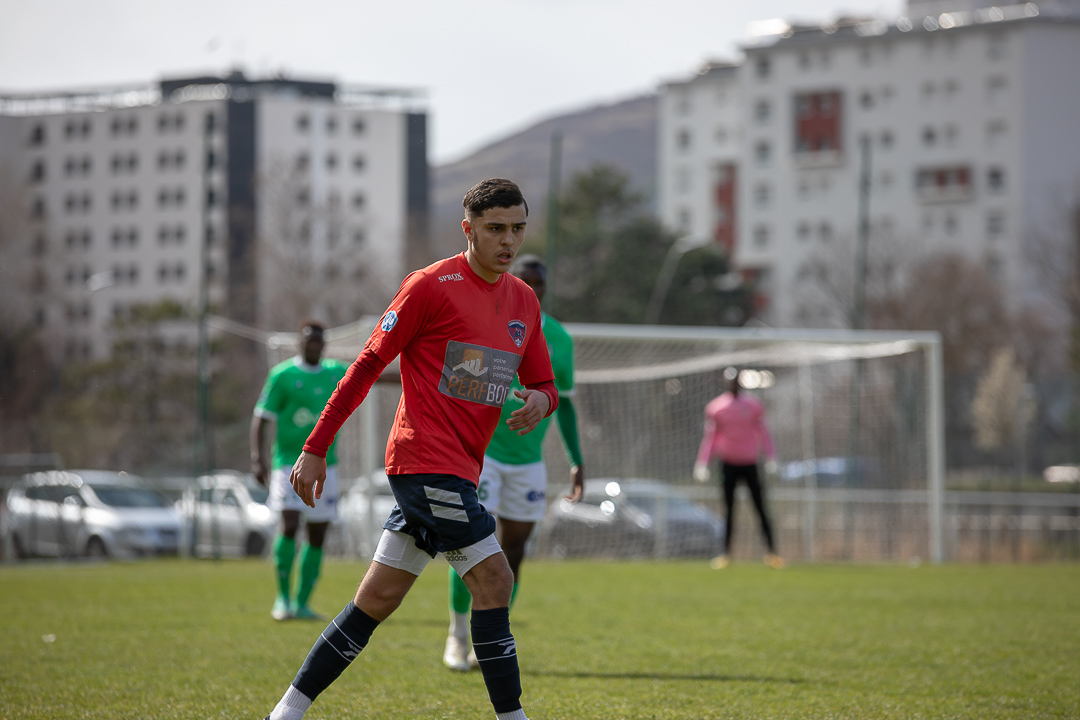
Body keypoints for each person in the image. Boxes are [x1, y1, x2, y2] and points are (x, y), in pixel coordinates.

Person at [262, 178, 557, 720]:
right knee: (495, 578)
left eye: (517, 228)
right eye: (495, 229)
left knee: (375, 601)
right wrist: (315, 447)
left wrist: (542, 402)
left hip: (460, 472)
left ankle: (286, 712)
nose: (508, 240)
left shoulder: (523, 301)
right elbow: (367, 364)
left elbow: (543, 382)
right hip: (423, 464)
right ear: (468, 229)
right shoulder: (430, 286)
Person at [442, 254, 585, 672]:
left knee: (514, 552)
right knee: (468, 546)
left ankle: (489, 640)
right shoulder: (483, 321)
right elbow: (456, 384)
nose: (532, 290)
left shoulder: (558, 336)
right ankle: (455, 634)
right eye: (525, 281)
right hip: (481, 456)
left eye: (539, 284)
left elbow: (568, 405)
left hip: (528, 463)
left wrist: (577, 461)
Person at [251, 320, 348, 621]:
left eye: (319, 341)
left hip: (326, 466)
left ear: (324, 344)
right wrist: (258, 458)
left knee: (318, 534)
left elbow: (371, 374)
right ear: (300, 343)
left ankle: (303, 602)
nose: (314, 345)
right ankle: (282, 599)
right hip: (287, 464)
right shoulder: (282, 376)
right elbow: (261, 417)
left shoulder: (335, 372)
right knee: (289, 524)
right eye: (309, 340)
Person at [693, 367, 784, 570]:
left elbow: (763, 432)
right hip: (728, 465)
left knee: (760, 508)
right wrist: (702, 462)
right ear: (726, 383)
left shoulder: (753, 406)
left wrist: (771, 458)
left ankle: (772, 553)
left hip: (750, 464)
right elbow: (711, 438)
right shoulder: (716, 408)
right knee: (729, 510)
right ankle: (725, 554)